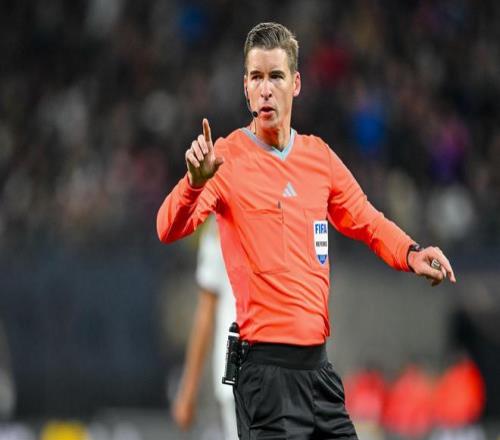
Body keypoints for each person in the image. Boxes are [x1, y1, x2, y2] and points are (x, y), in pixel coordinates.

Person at [157, 22, 456, 440]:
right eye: (256, 77)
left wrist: (411, 252)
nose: (266, 89)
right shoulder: (225, 159)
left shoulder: (319, 158)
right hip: (264, 376)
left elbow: (367, 220)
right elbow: (167, 228)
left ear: (295, 84)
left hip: (318, 373)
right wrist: (193, 183)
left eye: (276, 76)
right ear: (245, 87)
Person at [172, 215, 237, 440]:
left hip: (237, 361)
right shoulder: (286, 210)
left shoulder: (220, 222)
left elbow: (206, 311)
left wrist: (188, 391)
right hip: (278, 361)